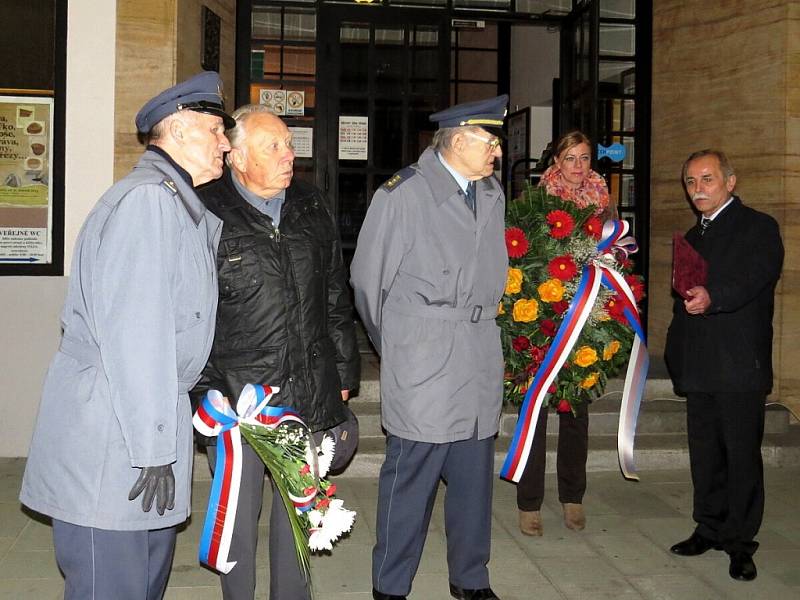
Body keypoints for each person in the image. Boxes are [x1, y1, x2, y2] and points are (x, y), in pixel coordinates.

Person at [19, 71, 234, 599]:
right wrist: (155, 447)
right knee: (112, 583)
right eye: (215, 130)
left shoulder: (173, 204)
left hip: (137, 430)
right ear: (179, 130)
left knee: (141, 581)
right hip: (117, 440)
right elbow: (139, 339)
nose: (226, 143)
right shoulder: (149, 204)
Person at [191, 104, 360, 600]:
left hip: (307, 390)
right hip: (239, 400)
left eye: (289, 143)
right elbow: (190, 313)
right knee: (238, 520)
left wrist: (345, 372)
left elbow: (334, 293)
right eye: (275, 146)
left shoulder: (310, 204)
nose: (290, 155)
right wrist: (203, 391)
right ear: (238, 158)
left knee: (300, 514)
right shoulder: (205, 209)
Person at [350, 95, 509, 600]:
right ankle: (391, 586)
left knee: (473, 480)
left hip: (479, 352)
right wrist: (402, 344)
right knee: (411, 480)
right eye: (490, 141)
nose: (497, 152)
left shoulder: (491, 192)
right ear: (458, 140)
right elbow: (367, 284)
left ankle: (471, 579)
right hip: (425, 356)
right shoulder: (403, 195)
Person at [664, 149, 783, 582]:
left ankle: (739, 542)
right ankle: (708, 527)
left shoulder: (759, 227)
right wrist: (676, 356)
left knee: (741, 457)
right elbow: (681, 303)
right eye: (691, 182)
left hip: (739, 365)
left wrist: (714, 297)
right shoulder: (692, 238)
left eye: (707, 180)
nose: (698, 189)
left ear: (730, 182)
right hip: (700, 366)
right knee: (706, 454)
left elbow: (754, 278)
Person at [516, 130, 616, 537]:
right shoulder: (537, 202)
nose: (578, 166)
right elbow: (521, 257)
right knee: (536, 410)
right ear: (555, 162)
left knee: (577, 411)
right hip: (544, 316)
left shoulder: (604, 202)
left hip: (586, 319)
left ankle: (573, 496)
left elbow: (615, 256)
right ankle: (529, 502)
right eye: (570, 158)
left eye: (585, 158)